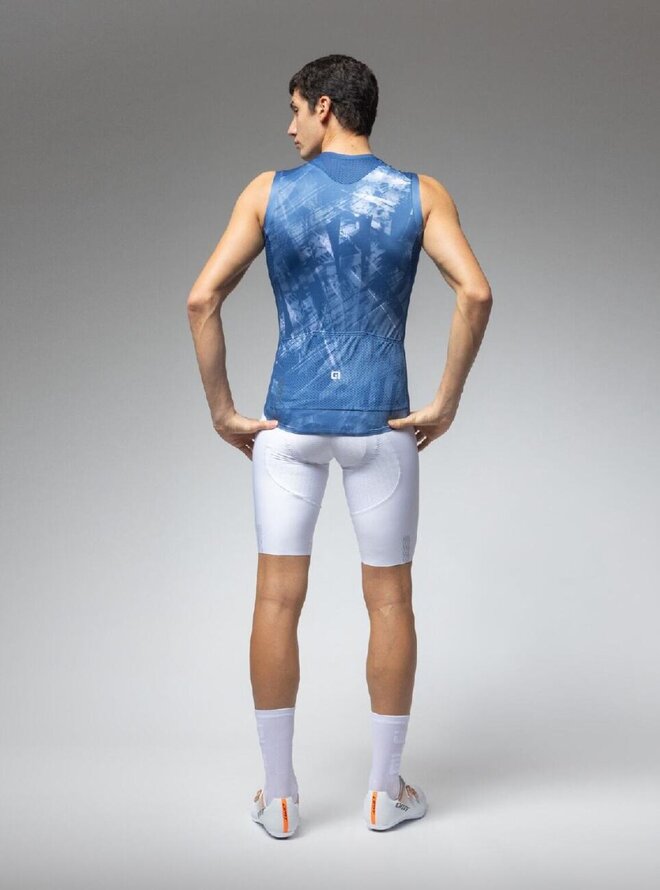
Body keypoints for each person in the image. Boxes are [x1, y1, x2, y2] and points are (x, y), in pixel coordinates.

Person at [187, 54, 492, 839]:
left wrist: (224, 413)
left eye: (294, 109)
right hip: (381, 427)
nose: (289, 126)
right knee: (389, 602)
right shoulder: (422, 194)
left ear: (325, 106)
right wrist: (445, 402)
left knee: (274, 601)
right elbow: (475, 291)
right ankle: (385, 793)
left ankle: (280, 798)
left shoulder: (267, 193)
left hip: (286, 429)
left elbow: (201, 298)